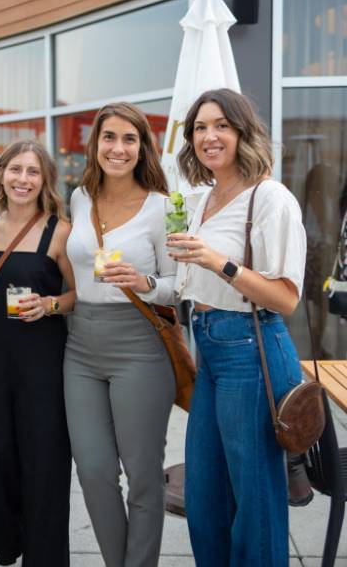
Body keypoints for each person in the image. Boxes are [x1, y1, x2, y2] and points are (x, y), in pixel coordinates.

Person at [167, 89, 306, 567]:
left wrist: (218, 261)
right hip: (209, 346)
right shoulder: (201, 197)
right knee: (204, 493)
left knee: (255, 498)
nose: (209, 136)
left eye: (221, 125)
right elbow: (192, 282)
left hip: (252, 345)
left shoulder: (270, 198)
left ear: (243, 132)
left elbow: (286, 297)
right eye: (200, 127)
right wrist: (146, 282)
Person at [64, 102, 176, 567]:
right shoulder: (79, 198)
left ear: (142, 147)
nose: (118, 148)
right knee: (92, 470)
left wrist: (145, 283)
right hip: (81, 345)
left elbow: (179, 285)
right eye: (109, 137)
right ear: (96, 144)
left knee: (144, 475)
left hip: (140, 347)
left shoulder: (163, 207)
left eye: (130, 139)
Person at [0, 140, 75, 567]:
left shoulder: (59, 231)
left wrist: (49, 304)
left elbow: (79, 296)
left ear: (45, 180)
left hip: (43, 366)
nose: (23, 180)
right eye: (16, 170)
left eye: (33, 172)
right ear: (1, 174)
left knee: (44, 465)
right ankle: (11, 545)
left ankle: (46, 558)